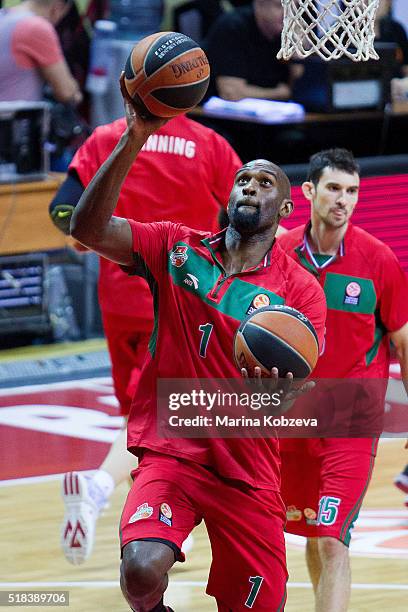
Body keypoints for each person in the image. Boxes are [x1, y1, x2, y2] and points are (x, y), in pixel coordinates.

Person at [68, 77, 327, 611]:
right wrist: (134, 136)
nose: (249, 187)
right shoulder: (176, 248)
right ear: (227, 195)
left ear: (284, 213)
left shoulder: (299, 289)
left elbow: (297, 390)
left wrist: (275, 393)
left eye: (264, 184)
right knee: (140, 570)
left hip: (247, 466)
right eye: (242, 180)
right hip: (173, 452)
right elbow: (87, 228)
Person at [49, 112, 243, 565]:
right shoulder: (208, 143)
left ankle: (158, 522)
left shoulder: (107, 138)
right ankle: (98, 489)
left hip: (118, 294)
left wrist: (83, 240)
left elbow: (62, 208)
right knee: (166, 414)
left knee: (142, 417)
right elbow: (242, 213)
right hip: (181, 294)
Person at [278, 148, 408, 612]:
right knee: (313, 534)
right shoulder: (278, 255)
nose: (344, 200)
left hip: (352, 417)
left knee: (333, 539)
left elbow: (404, 342)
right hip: (293, 420)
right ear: (309, 191)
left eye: (352, 191)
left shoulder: (378, 259)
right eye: (334, 188)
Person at [204, 0, 299, 102]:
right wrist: (278, 93)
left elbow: (298, 89)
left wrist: (297, 52)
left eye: (295, 8)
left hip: (274, 113)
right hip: (215, 114)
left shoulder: (287, 34)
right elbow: (230, 93)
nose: (289, 14)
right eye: (279, 7)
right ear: (259, 5)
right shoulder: (233, 27)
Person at [0, 0, 82, 104]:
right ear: (58, 7)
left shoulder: (2, 15)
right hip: (15, 118)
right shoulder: (36, 27)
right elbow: (67, 93)